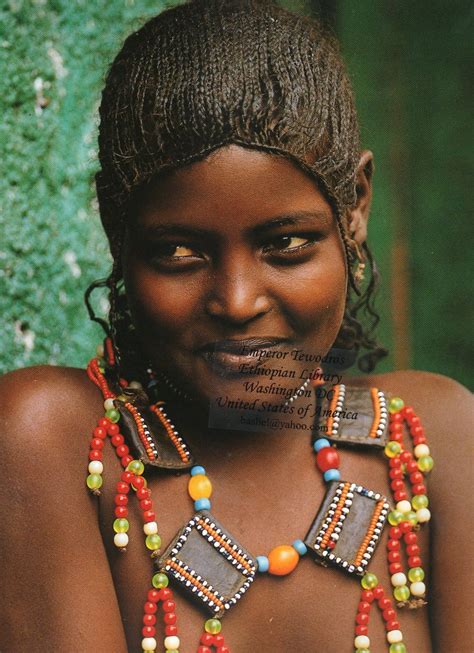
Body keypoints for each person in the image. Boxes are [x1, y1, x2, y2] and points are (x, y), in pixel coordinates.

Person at [0, 1, 472, 652]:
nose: (237, 300)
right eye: (178, 252)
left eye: (286, 244)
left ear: (356, 207)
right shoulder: (53, 442)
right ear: (118, 230)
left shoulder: (432, 440)